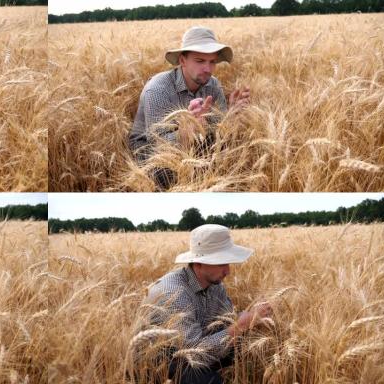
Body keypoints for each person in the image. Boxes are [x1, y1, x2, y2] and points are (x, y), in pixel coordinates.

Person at [137, 224, 272, 384]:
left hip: (194, 345)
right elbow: (194, 352)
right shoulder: (174, 294)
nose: (228, 271)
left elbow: (226, 320)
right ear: (199, 263)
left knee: (246, 345)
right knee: (207, 381)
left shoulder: (215, 285)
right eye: (222, 263)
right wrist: (242, 324)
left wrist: (249, 317)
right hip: (160, 360)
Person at [129, 26, 250, 190]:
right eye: (200, 61)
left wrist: (230, 114)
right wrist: (185, 133)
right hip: (149, 149)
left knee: (233, 156)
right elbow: (157, 142)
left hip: (194, 144)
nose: (208, 69)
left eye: (212, 61)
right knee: (168, 175)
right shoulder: (158, 89)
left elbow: (218, 128)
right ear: (182, 60)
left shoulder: (213, 84)